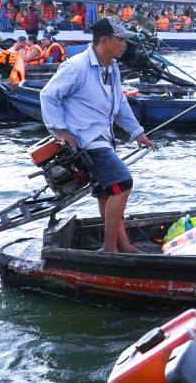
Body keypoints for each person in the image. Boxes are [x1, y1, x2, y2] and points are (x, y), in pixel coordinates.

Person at [41, 18, 155, 254]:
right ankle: (110, 248)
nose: (124, 44)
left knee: (107, 192)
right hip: (87, 140)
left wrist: (137, 133)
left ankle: (122, 244)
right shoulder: (76, 66)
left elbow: (120, 103)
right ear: (104, 40)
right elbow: (48, 95)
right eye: (120, 39)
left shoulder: (111, 67)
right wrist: (60, 130)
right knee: (122, 184)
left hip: (104, 137)